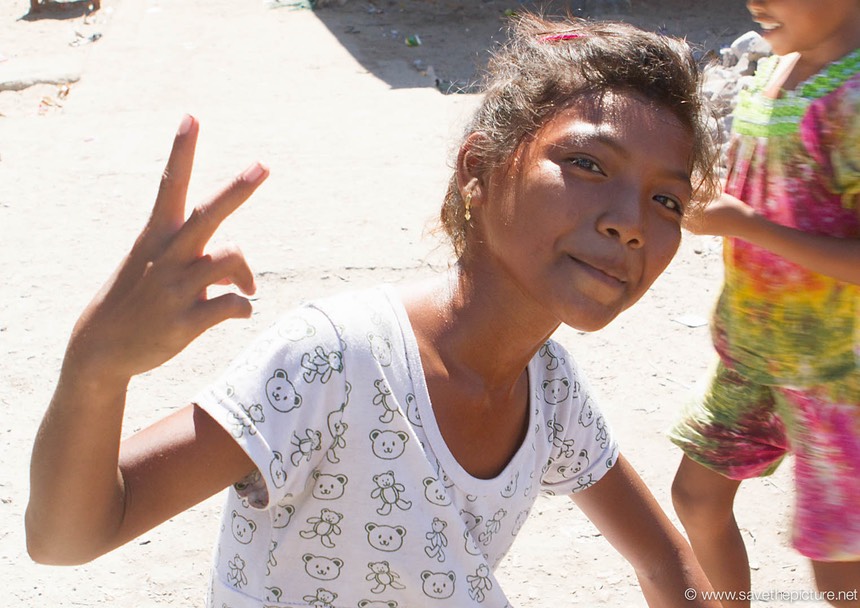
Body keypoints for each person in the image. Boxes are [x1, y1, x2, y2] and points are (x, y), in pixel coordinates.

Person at [26, 15, 722, 607]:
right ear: (477, 170)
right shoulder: (336, 362)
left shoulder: (552, 391)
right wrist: (96, 367)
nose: (631, 223)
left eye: (667, 201)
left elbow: (669, 567)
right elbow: (69, 536)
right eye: (589, 164)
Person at [670, 1, 860, 606]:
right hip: (752, 352)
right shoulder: (775, 67)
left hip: (839, 376)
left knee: (839, 569)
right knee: (697, 498)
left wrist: (748, 225)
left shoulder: (852, 100)